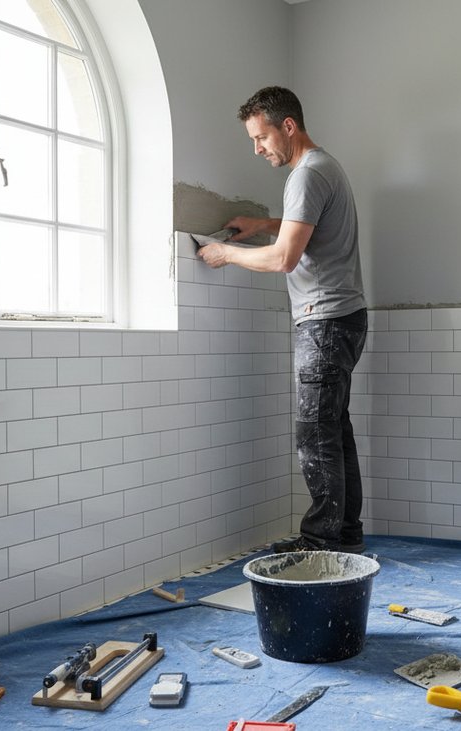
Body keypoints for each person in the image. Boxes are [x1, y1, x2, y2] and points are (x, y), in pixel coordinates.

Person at [197, 86, 367, 554]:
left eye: (261, 137)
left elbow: (285, 259)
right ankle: (345, 537)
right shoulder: (324, 166)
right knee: (334, 430)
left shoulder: (306, 174)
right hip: (346, 317)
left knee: (315, 434)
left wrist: (226, 252)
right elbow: (308, 227)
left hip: (324, 321)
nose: (258, 149)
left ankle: (319, 545)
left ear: (287, 126)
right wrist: (264, 224)